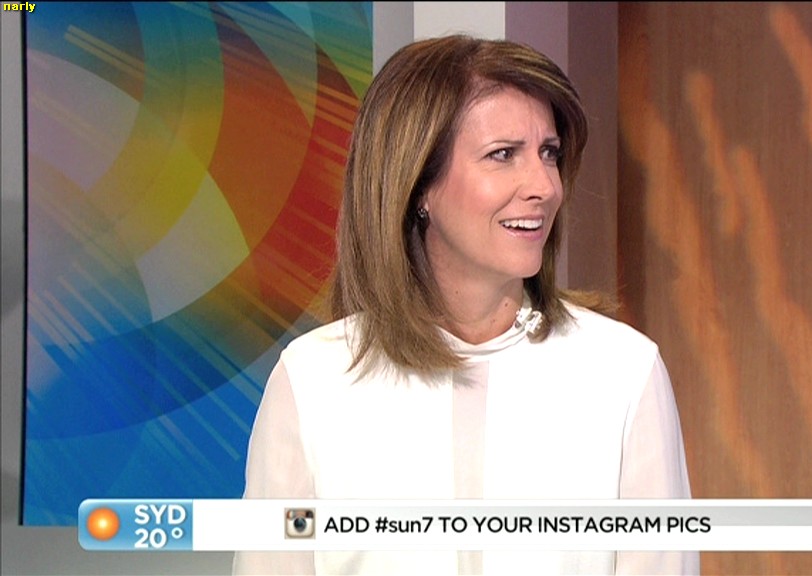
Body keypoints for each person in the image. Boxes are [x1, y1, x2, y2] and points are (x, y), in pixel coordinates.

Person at [233, 34, 699, 576]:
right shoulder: (314, 380)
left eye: (549, 153)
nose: (544, 186)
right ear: (418, 185)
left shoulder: (623, 372)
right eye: (503, 155)